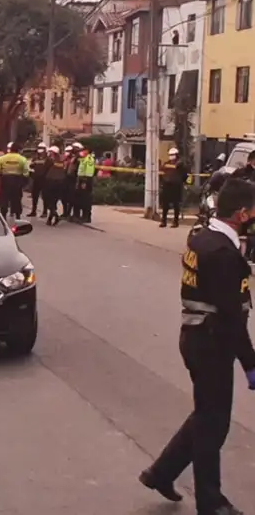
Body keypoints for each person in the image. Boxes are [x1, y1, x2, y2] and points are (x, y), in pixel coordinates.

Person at [140, 178, 255, 515]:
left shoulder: (203, 239)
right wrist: (250, 362)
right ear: (242, 213)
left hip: (199, 337)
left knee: (206, 415)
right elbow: (232, 315)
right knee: (214, 423)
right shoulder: (221, 252)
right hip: (211, 341)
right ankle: (210, 501)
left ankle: (160, 473)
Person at [0, 142, 29, 220]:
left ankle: (3, 216)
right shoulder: (22, 159)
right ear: (19, 150)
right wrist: (24, 183)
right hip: (17, 182)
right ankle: (17, 216)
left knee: (4, 199)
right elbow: (26, 172)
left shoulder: (2, 158)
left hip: (5, 181)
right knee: (17, 199)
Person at [160, 147, 189, 228]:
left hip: (176, 186)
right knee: (165, 204)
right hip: (167, 185)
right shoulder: (166, 163)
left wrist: (182, 182)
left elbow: (185, 175)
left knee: (176, 204)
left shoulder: (181, 164)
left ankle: (175, 222)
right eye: (170, 155)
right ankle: (163, 221)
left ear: (176, 155)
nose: (171, 156)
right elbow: (162, 172)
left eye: (172, 155)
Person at [42, 146, 67, 226]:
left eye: (50, 152)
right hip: (61, 182)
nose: (49, 153)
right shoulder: (62, 160)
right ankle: (50, 219)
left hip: (50, 181)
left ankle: (55, 215)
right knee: (54, 201)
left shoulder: (50, 160)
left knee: (48, 200)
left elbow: (44, 170)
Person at [75, 143, 96, 223]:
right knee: (81, 199)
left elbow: (89, 172)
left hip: (86, 180)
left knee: (86, 199)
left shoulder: (89, 159)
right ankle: (82, 216)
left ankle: (86, 217)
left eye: (83, 150)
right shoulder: (84, 158)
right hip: (81, 179)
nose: (82, 152)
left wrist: (84, 181)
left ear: (87, 151)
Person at [28, 142, 49, 217]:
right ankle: (33, 211)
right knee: (34, 196)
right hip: (36, 179)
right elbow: (31, 166)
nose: (40, 150)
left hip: (45, 180)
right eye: (39, 148)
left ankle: (45, 212)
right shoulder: (35, 157)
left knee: (45, 196)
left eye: (42, 148)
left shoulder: (48, 158)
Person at [63, 144, 78, 219]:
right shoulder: (66, 159)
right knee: (64, 197)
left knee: (71, 197)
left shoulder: (76, 159)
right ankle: (65, 212)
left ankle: (69, 212)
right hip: (66, 178)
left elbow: (74, 169)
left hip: (73, 179)